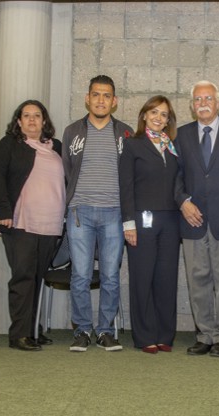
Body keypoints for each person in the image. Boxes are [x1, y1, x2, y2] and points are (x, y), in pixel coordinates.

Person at [174, 80, 219, 358]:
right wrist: (182, 202)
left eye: (207, 98)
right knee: (198, 279)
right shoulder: (181, 135)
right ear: (192, 106)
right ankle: (204, 334)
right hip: (192, 220)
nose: (202, 103)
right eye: (197, 99)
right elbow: (175, 175)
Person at [62, 75, 132, 352]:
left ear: (114, 101)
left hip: (114, 213)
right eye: (96, 95)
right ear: (87, 99)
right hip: (80, 213)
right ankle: (81, 330)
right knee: (79, 274)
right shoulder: (72, 132)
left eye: (106, 96)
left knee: (110, 276)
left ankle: (105, 330)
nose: (101, 100)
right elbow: (68, 170)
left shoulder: (125, 133)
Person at [0, 100, 64, 351]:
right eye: (26, 116)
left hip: (51, 224)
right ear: (18, 121)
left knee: (38, 277)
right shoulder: (9, 145)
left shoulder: (57, 147)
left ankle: (33, 329)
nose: (32, 120)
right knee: (23, 278)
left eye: (37, 116)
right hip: (21, 221)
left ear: (45, 121)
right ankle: (19, 334)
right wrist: (3, 210)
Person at [119, 96, 181, 354]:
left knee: (166, 279)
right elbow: (126, 186)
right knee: (142, 278)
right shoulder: (132, 145)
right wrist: (128, 224)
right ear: (144, 115)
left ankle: (164, 334)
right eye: (154, 112)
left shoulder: (172, 147)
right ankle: (145, 336)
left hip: (170, 221)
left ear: (169, 120)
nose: (158, 117)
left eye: (164, 114)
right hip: (141, 221)